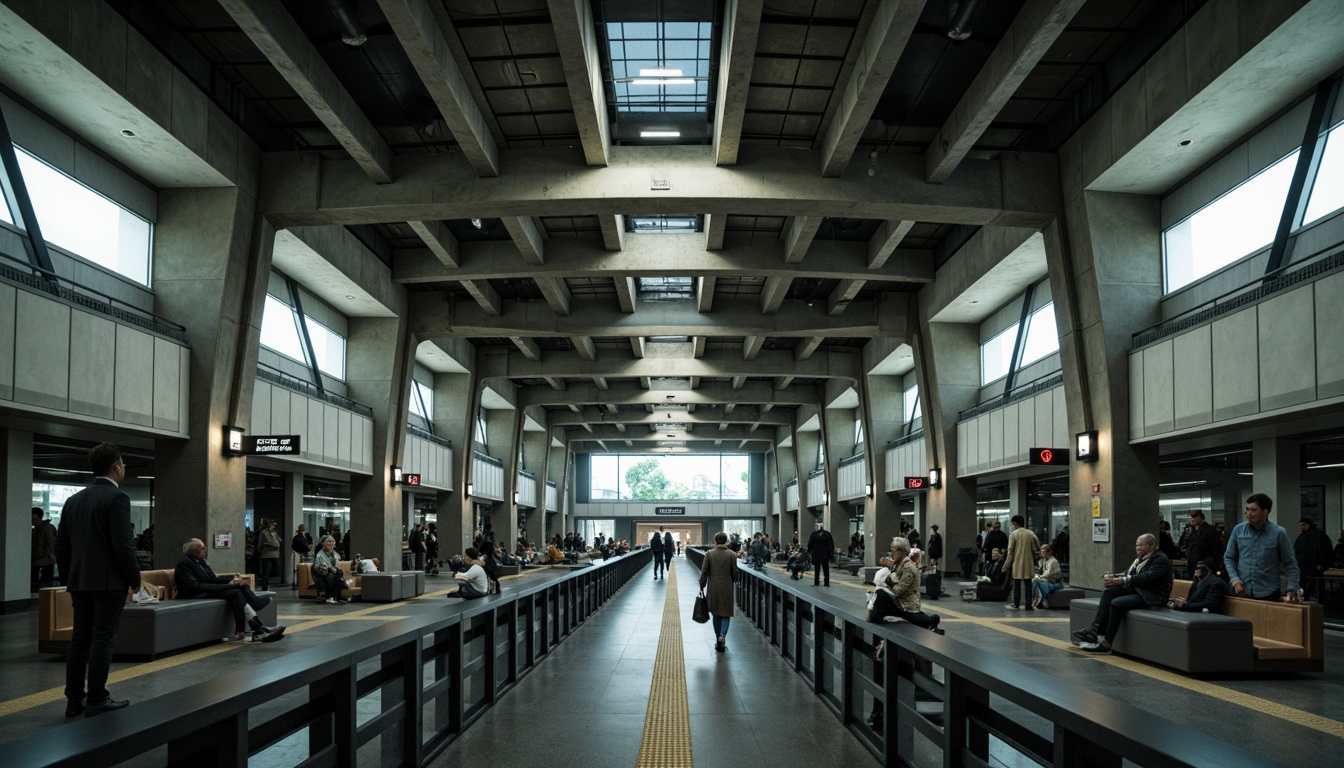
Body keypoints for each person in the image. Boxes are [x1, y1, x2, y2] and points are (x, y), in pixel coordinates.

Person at [54, 443, 141, 718]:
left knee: (79, 639)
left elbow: (62, 545)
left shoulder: (74, 500)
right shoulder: (117, 499)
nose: (124, 468)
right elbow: (122, 544)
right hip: (109, 582)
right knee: (103, 638)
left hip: (80, 582)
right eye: (123, 464)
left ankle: (74, 699)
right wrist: (134, 577)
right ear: (116, 466)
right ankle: (97, 699)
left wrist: (71, 577)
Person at [1072, 533, 1172, 654]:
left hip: (1152, 597)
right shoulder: (1139, 560)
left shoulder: (1160, 559)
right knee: (1109, 593)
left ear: (1152, 546)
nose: (1138, 548)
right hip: (1139, 592)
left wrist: (1121, 580)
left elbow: (1147, 577)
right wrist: (1115, 578)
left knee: (1117, 603)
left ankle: (1106, 643)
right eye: (1136, 546)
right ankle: (1094, 630)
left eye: (1141, 546)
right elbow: (1131, 574)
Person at [176, 538, 286, 642]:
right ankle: (256, 625)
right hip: (194, 594)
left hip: (205, 590)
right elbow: (196, 587)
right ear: (193, 551)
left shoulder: (201, 561)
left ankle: (255, 625)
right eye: (202, 548)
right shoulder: (184, 564)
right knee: (235, 592)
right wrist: (228, 585)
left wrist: (231, 581)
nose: (205, 550)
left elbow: (213, 579)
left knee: (240, 587)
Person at [1224, 494, 1301, 603]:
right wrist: (1235, 580)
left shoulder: (1278, 533)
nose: (1249, 514)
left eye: (1253, 510)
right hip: (1241, 591)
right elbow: (1229, 558)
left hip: (1268, 592)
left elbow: (1290, 564)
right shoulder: (1238, 530)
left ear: (1265, 512)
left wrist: (1292, 589)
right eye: (1247, 510)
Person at [699, 532, 739, 652]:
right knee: (725, 613)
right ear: (726, 541)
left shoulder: (709, 554)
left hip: (713, 588)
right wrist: (736, 578)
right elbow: (735, 572)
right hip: (727, 587)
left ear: (715, 542)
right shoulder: (732, 554)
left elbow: (704, 571)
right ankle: (722, 636)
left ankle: (717, 638)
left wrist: (702, 584)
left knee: (716, 613)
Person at [1000, 515, 1040, 611]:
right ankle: (1028, 605)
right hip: (1029, 563)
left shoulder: (1013, 534)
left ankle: (1016, 604)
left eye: (1013, 523)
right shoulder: (1031, 534)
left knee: (1017, 584)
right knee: (1028, 584)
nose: (1013, 525)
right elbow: (1036, 548)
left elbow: (1010, 552)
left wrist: (1006, 565)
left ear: (1016, 523)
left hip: (1017, 563)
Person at [1294, 517, 1332, 600]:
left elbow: (1325, 550)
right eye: (1299, 525)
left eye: (1303, 525)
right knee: (1305, 589)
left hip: (1314, 567)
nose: (1301, 527)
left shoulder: (1318, 535)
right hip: (1303, 568)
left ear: (1308, 525)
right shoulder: (1302, 536)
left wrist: (1322, 564)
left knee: (1315, 588)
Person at [312, 535, 351, 604]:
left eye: (333, 541)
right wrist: (330, 568)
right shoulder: (320, 554)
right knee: (333, 575)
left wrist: (332, 569)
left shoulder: (333, 552)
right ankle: (332, 596)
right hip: (322, 573)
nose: (331, 543)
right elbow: (318, 567)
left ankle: (334, 596)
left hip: (331, 571)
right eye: (329, 541)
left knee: (339, 573)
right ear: (323, 544)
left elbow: (337, 560)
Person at [1183, 510, 1222, 579]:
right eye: (1191, 516)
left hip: (1205, 567)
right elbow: (1186, 544)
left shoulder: (1210, 530)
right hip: (1192, 566)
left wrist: (1214, 566)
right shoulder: (1192, 531)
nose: (1192, 519)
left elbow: (1217, 550)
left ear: (1200, 517)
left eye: (1194, 516)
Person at [32, 507, 57, 590]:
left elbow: (51, 543)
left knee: (45, 582)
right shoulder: (36, 529)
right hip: (41, 559)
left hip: (45, 559)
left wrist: (52, 556)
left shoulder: (46, 528)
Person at [1031, 544, 1062, 608]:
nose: (1042, 554)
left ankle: (1039, 600)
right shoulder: (1045, 561)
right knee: (1034, 580)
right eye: (1041, 552)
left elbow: (1048, 574)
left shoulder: (1053, 561)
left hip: (1055, 583)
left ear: (1048, 552)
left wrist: (1039, 577)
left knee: (1036, 581)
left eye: (1043, 552)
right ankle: (1038, 599)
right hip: (1048, 580)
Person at [807, 520, 834, 587]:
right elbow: (831, 545)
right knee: (826, 568)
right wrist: (831, 553)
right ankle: (826, 583)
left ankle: (816, 582)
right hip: (825, 554)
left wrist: (809, 552)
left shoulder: (814, 534)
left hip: (816, 554)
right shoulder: (827, 534)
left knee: (817, 568)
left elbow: (810, 544)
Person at [257, 519, 281, 591]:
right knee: (266, 572)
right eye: (272, 525)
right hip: (267, 555)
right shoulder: (264, 533)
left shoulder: (274, 533)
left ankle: (266, 585)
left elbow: (278, 542)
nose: (273, 526)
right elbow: (270, 542)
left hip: (275, 555)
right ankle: (264, 587)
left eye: (274, 525)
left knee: (272, 571)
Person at [291, 524, 312, 592]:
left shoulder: (298, 537)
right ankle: (299, 583)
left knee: (298, 569)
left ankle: (297, 583)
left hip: (300, 553)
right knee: (300, 569)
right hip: (301, 553)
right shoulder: (301, 537)